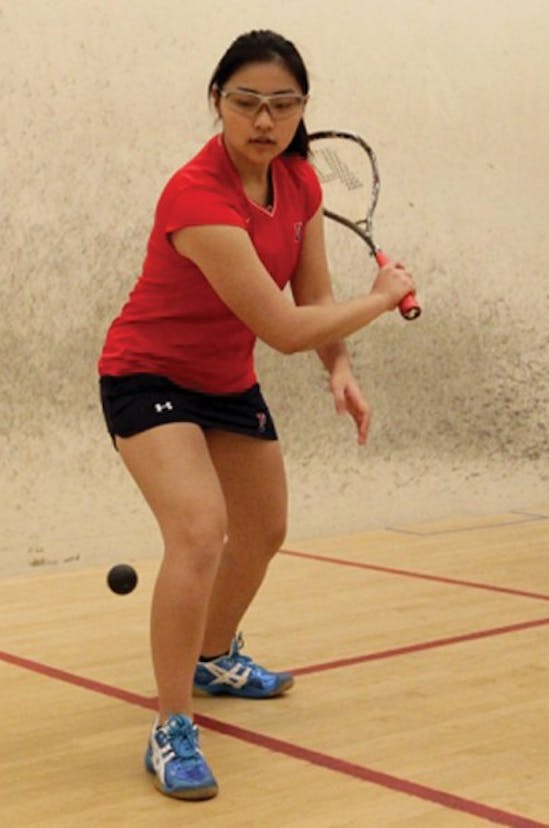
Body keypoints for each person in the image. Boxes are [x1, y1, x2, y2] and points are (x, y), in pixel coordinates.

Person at [97, 30, 415, 801]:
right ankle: (172, 727)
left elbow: (314, 301)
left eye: (282, 104)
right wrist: (380, 300)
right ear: (218, 103)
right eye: (246, 102)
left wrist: (340, 368)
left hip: (225, 380)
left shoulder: (299, 182)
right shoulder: (196, 197)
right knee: (199, 530)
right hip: (147, 374)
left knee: (264, 531)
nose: (265, 120)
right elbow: (281, 327)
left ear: (303, 109)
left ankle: (214, 657)